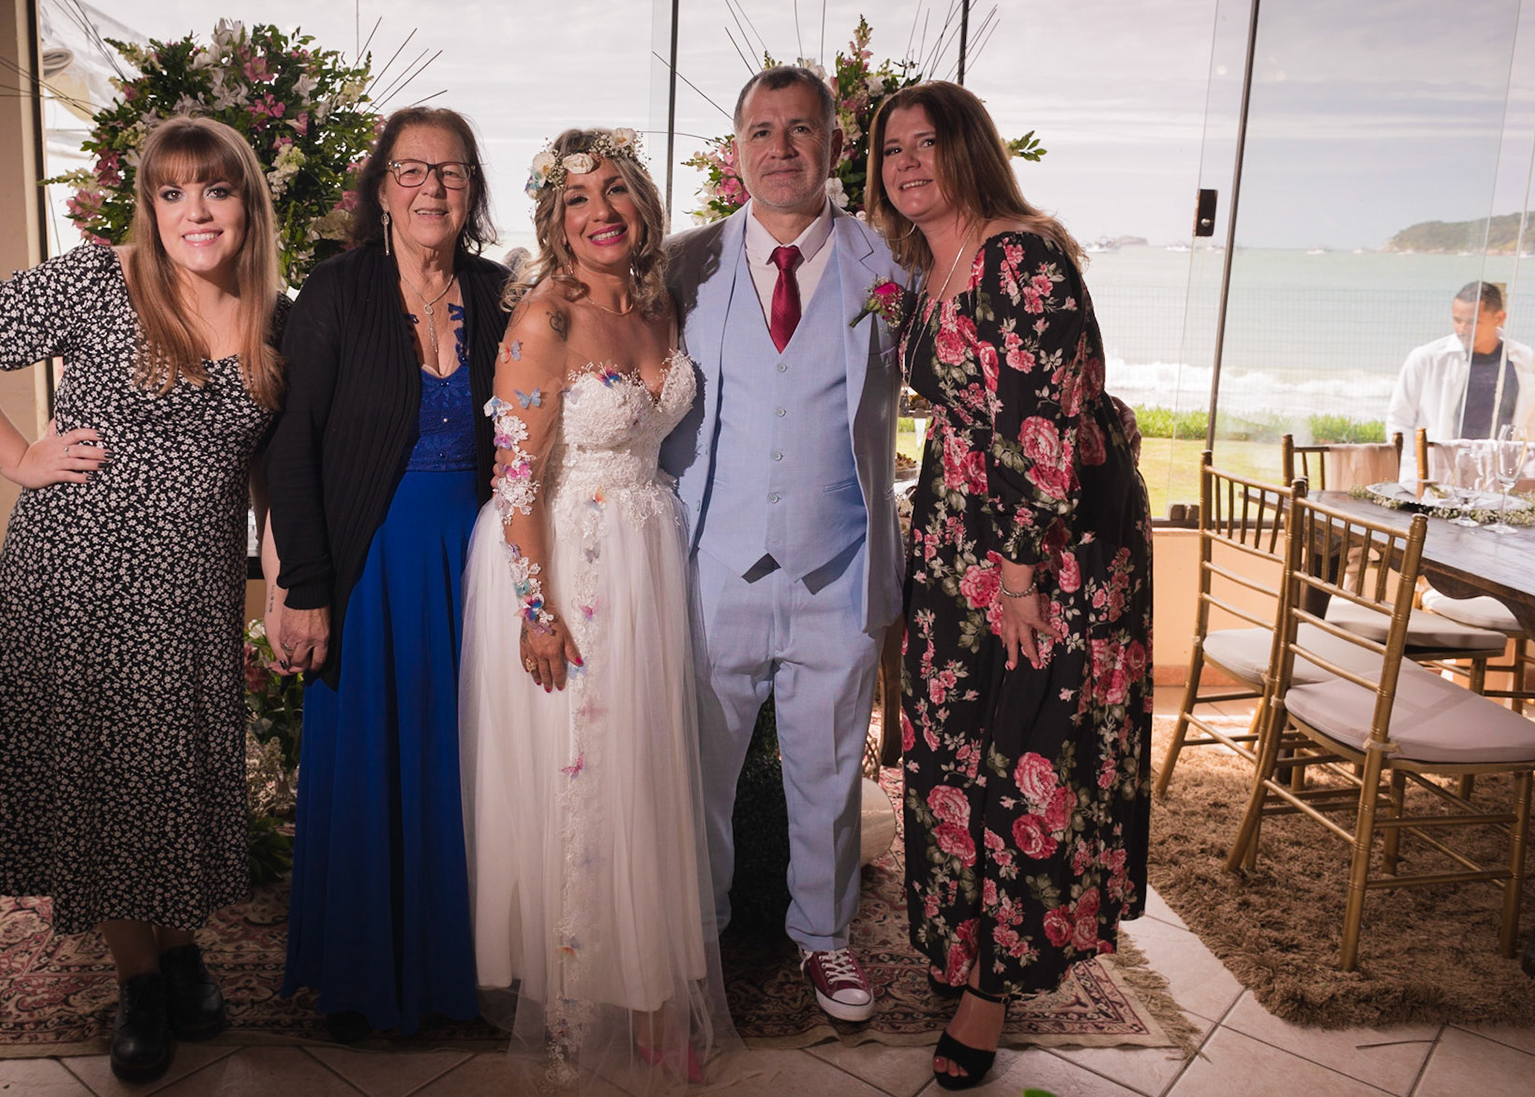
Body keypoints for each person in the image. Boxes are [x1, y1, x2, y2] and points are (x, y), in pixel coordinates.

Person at [0, 116, 285, 1082]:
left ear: (247, 202)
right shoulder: (98, 281)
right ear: (150, 206)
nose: (196, 212)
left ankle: (180, 947)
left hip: (192, 592)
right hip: (78, 579)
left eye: (216, 189)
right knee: (107, 786)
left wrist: (283, 583)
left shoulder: (279, 314)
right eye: (172, 192)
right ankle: (140, 982)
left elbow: (272, 471)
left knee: (175, 777)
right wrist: (14, 455)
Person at [865, 81, 1152, 1088]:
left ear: (970, 150)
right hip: (957, 538)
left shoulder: (1021, 255)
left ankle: (991, 987)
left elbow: (1043, 426)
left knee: (1017, 757)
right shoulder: (927, 263)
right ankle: (962, 943)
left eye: (926, 144)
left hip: (1043, 550)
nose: (906, 164)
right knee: (948, 746)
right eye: (891, 148)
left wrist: (1021, 574)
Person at [460, 128, 729, 1091]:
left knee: (643, 771)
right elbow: (516, 480)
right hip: (566, 560)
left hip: (648, 554)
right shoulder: (546, 318)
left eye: (615, 190)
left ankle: (651, 989)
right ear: (555, 218)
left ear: (643, 204)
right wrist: (537, 611)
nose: (600, 211)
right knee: (583, 773)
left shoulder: (659, 302)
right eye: (577, 198)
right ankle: (577, 1009)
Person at [660, 66, 908, 1024]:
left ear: (833, 145)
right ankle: (697, 934)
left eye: (800, 128)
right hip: (712, 561)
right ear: (736, 150)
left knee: (829, 770)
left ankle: (825, 936)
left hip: (838, 564)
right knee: (697, 775)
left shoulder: (890, 266)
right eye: (761, 130)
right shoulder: (683, 264)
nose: (780, 147)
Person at [262, 106, 509, 1039]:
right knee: (371, 766)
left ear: (471, 187)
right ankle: (364, 979)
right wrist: (304, 586)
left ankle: (461, 973)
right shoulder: (336, 291)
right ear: (381, 188)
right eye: (412, 170)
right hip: (367, 565)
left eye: (450, 171)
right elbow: (291, 447)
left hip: (475, 565)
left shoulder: (499, 292)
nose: (431, 188)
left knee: (465, 764)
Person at [1385, 281, 1535, 458]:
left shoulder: (1525, 358)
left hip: (1500, 468)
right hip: (1438, 468)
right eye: (1457, 320)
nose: (1462, 329)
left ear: (1499, 318)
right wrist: (1411, 467)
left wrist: (1517, 465)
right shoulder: (1426, 358)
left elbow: (1529, 422)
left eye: (1472, 322)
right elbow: (1399, 420)